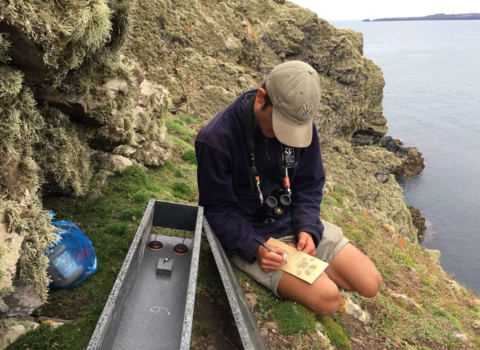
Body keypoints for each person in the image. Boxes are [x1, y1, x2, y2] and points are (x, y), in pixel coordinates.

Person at [195, 61, 382, 315]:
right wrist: (254, 247)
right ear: (262, 98)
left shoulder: (299, 124)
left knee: (371, 282)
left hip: (293, 222)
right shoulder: (216, 140)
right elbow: (217, 210)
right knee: (328, 299)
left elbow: (310, 182)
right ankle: (310, 280)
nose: (286, 138)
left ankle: (308, 272)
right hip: (253, 235)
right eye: (278, 129)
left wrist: (307, 227)